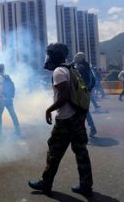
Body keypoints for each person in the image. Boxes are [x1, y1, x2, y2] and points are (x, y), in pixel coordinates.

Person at [28, 43, 93, 199]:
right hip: (77, 117)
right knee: (81, 152)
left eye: (50, 54)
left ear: (55, 56)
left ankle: (46, 183)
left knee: (54, 152)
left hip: (65, 119)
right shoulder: (72, 69)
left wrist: (48, 109)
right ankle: (86, 185)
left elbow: (63, 97)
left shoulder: (59, 71)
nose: (48, 57)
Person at [74, 52, 97, 137]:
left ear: (80, 58)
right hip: (88, 90)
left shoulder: (80, 67)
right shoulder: (86, 66)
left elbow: (81, 81)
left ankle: (90, 128)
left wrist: (82, 90)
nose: (75, 58)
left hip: (84, 91)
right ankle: (88, 128)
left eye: (76, 57)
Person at [0, 63, 21, 138]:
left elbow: (1, 87)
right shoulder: (6, 76)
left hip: (2, 99)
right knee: (13, 114)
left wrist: (0, 97)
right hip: (9, 99)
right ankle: (18, 130)